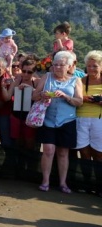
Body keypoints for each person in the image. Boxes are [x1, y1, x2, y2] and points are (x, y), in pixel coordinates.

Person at [32, 51, 83, 193]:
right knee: (48, 150)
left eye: (61, 65)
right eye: (55, 65)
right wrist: (42, 95)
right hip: (47, 119)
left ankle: (63, 183)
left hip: (67, 120)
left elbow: (79, 101)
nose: (58, 67)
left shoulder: (75, 80)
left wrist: (66, 97)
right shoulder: (46, 77)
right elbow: (34, 95)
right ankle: (45, 181)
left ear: (68, 66)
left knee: (63, 152)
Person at [77, 50, 102, 195]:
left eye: (95, 66)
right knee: (84, 152)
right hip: (81, 119)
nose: (91, 69)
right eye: (89, 66)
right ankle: (87, 184)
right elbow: (76, 99)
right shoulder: (81, 81)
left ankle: (99, 185)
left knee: (99, 154)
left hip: (99, 119)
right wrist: (84, 99)